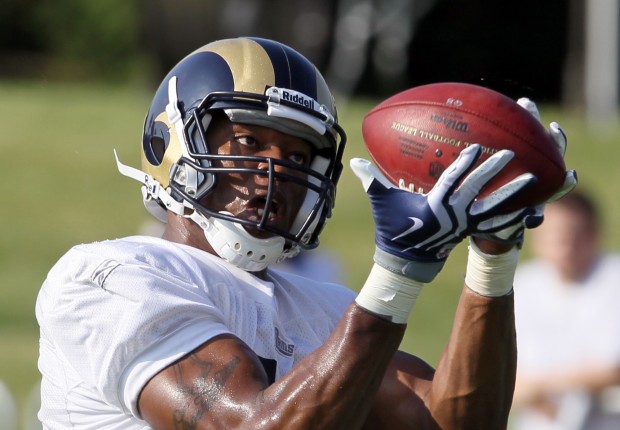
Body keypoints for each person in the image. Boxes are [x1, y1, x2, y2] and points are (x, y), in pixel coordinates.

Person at [36, 37, 576, 429]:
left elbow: (451, 424)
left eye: (297, 154)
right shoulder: (108, 278)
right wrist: (395, 277)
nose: (277, 172)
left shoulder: (325, 309)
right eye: (249, 143)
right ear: (169, 142)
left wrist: (492, 259)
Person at [511, 190, 620, 430]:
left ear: (593, 233)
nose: (566, 247)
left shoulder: (614, 279)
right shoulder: (522, 285)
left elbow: (613, 368)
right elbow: (507, 374)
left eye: (575, 237)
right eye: (556, 237)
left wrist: (541, 386)